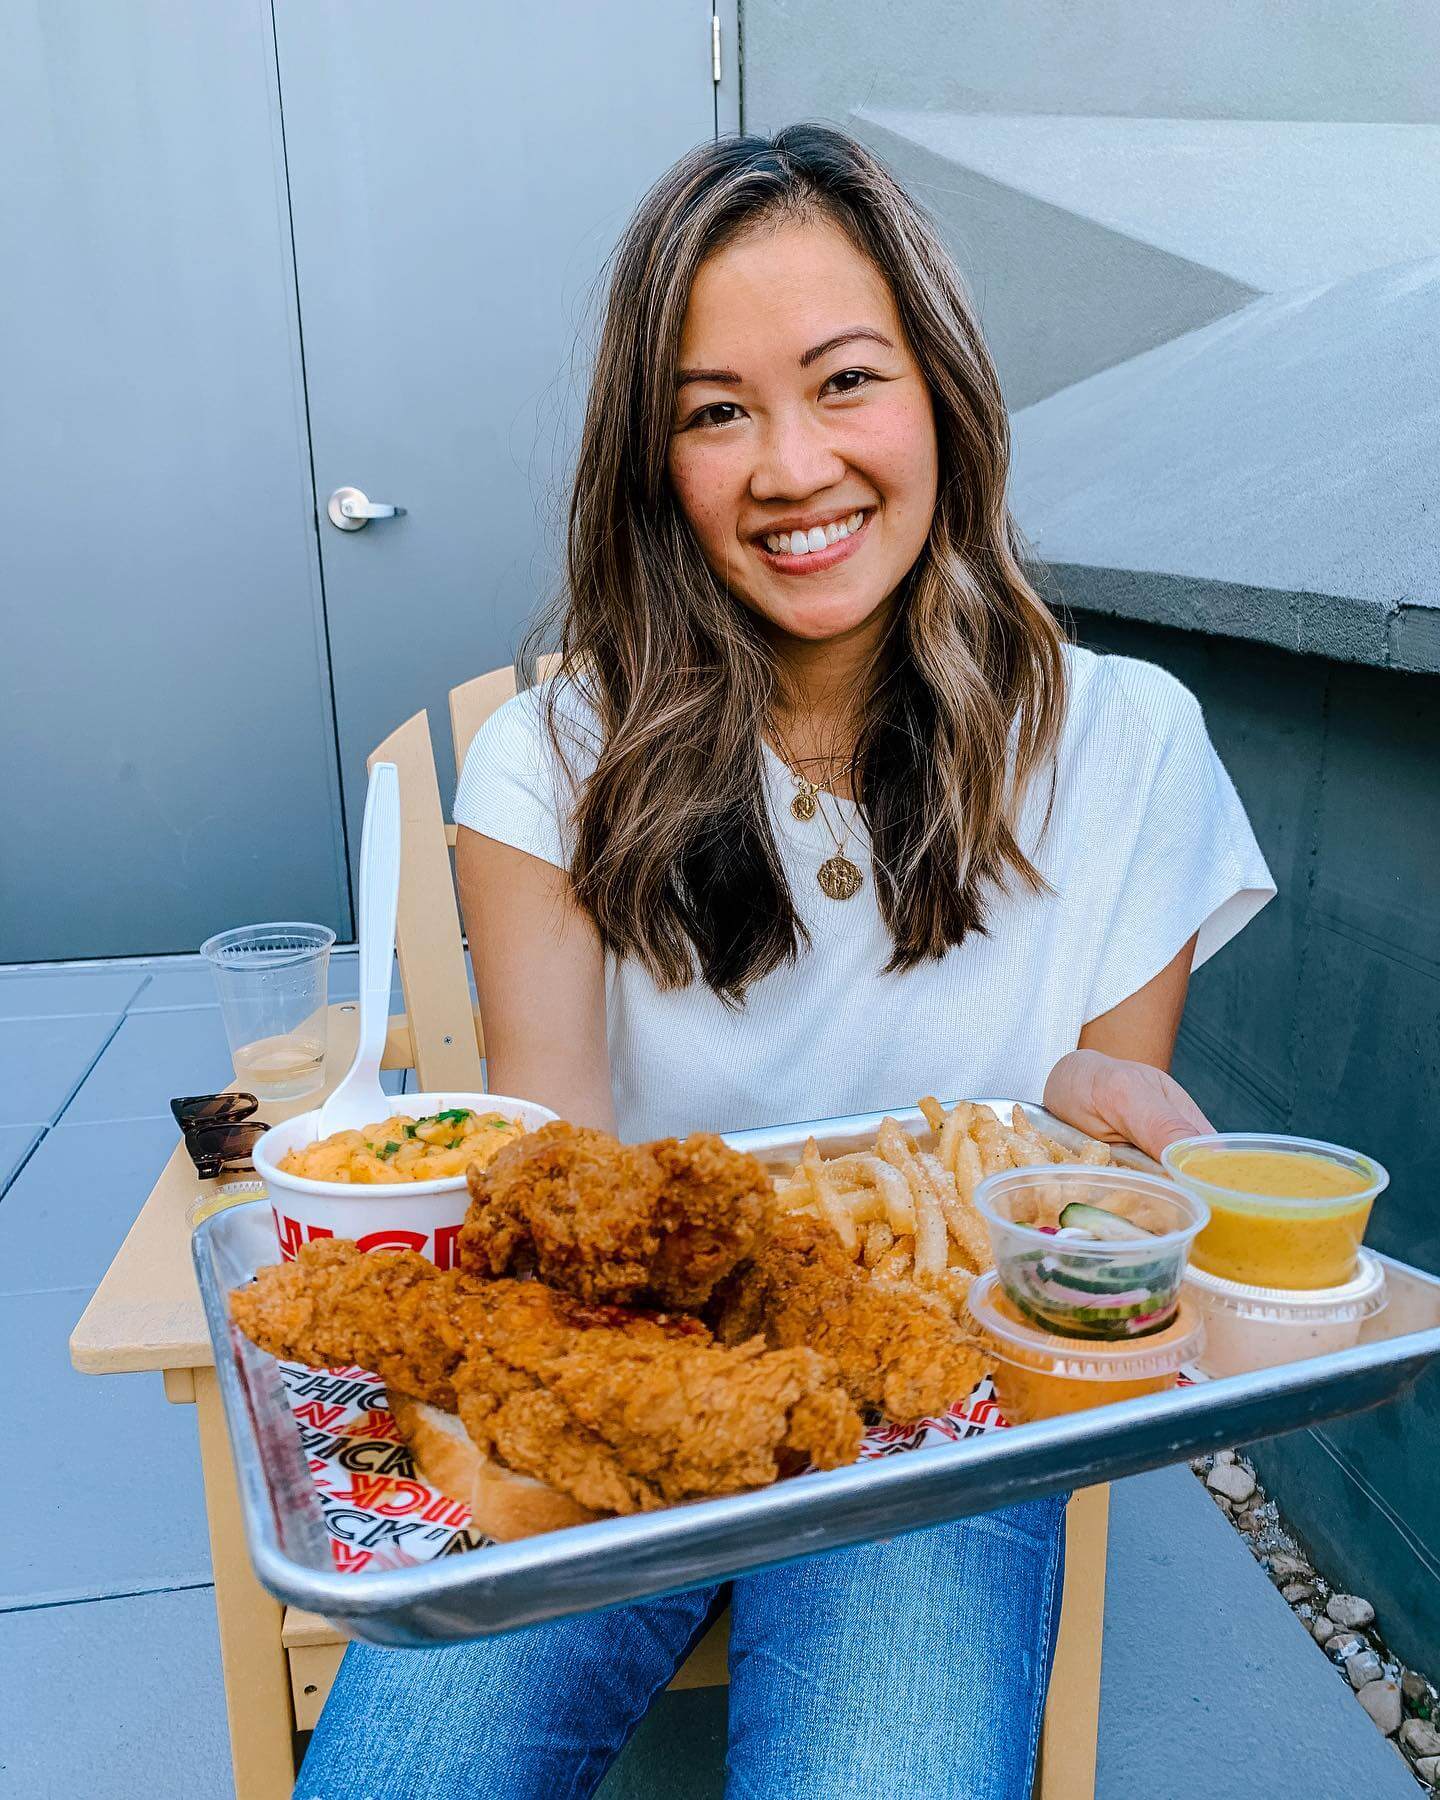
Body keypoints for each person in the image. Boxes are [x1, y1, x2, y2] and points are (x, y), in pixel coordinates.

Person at [299, 124, 1273, 1798]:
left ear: (944, 400)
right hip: (631, 1372)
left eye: (844, 381)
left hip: (947, 1405)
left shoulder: (1132, 747)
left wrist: (1089, 1107)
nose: (790, 466)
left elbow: (1057, 1195)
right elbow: (564, 1179)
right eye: (716, 410)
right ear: (654, 460)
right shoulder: (553, 758)